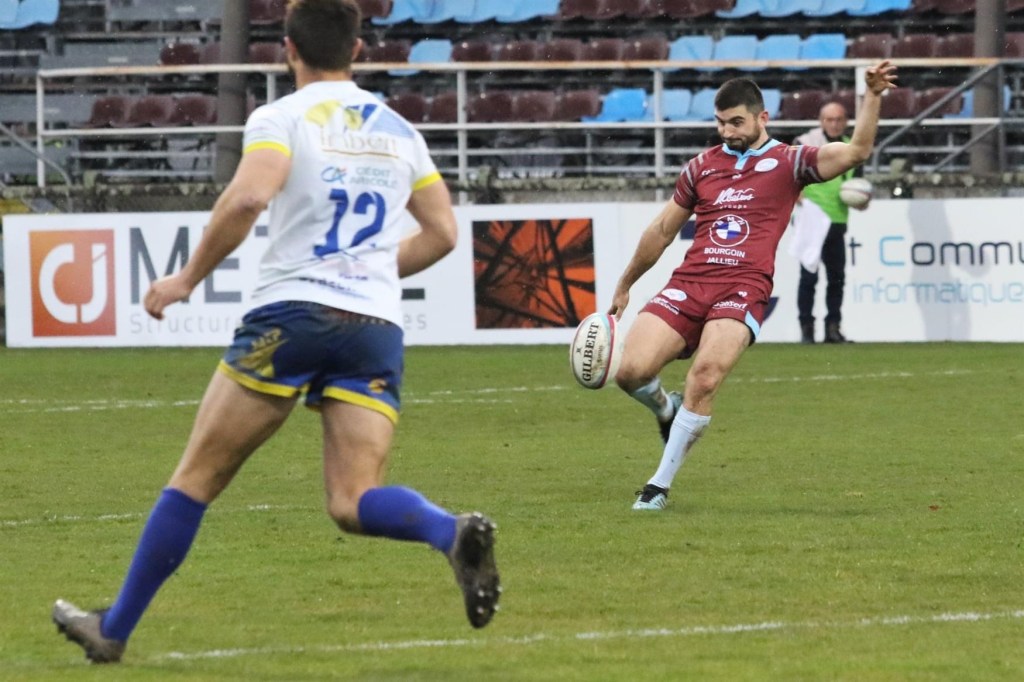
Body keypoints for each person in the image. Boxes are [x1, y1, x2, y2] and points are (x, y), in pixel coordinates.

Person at [52, 0, 500, 664]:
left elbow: (247, 197)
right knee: (352, 499)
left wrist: (186, 279)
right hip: (373, 327)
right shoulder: (400, 130)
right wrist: (369, 269)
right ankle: (448, 531)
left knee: (197, 477)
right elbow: (442, 233)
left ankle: (113, 628)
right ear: (357, 49)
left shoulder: (281, 118)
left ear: (288, 49)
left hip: (293, 316)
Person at [610, 61, 897, 511]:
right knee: (630, 372)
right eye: (720, 123)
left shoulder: (790, 162)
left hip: (743, 288)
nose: (727, 132)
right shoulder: (701, 167)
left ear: (763, 117)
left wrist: (873, 97)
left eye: (736, 122)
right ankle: (666, 409)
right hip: (690, 282)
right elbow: (663, 230)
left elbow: (857, 150)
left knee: (705, 377)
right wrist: (626, 282)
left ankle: (658, 486)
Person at [793, 101, 870, 344]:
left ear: (845, 121)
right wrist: (797, 196)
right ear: (821, 121)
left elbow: (858, 184)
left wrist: (861, 200)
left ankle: (833, 328)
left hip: (837, 220)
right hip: (811, 219)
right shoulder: (805, 143)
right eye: (829, 119)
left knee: (837, 278)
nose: (834, 124)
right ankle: (807, 329)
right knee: (809, 277)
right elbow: (789, 175)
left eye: (838, 119)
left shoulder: (853, 148)